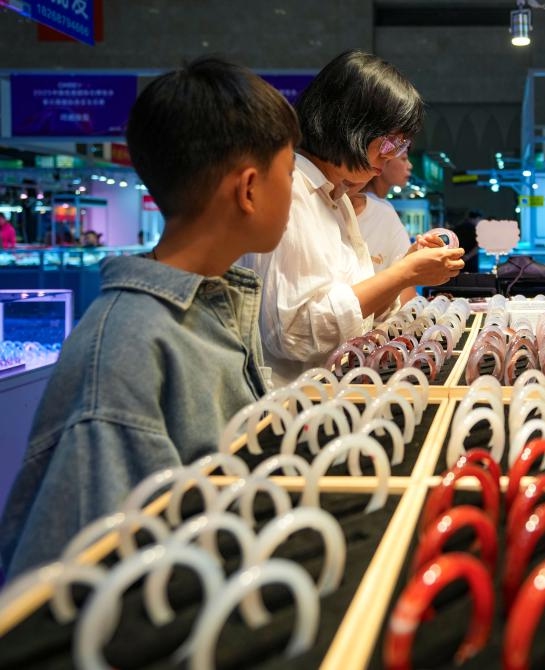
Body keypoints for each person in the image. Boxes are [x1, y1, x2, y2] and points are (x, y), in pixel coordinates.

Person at [0, 57, 300, 577]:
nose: (293, 195)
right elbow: (77, 586)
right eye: (290, 174)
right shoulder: (125, 350)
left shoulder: (215, 302)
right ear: (249, 189)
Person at [241, 51, 464, 386]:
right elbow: (292, 332)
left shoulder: (335, 197)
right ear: (349, 124)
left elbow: (357, 313)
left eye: (400, 146)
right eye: (389, 140)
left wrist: (404, 270)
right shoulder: (293, 190)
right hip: (290, 404)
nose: (391, 155)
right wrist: (403, 274)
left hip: (328, 393)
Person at [359, 154, 419, 305]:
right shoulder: (382, 210)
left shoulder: (382, 208)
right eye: (404, 158)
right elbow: (406, 287)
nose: (410, 165)